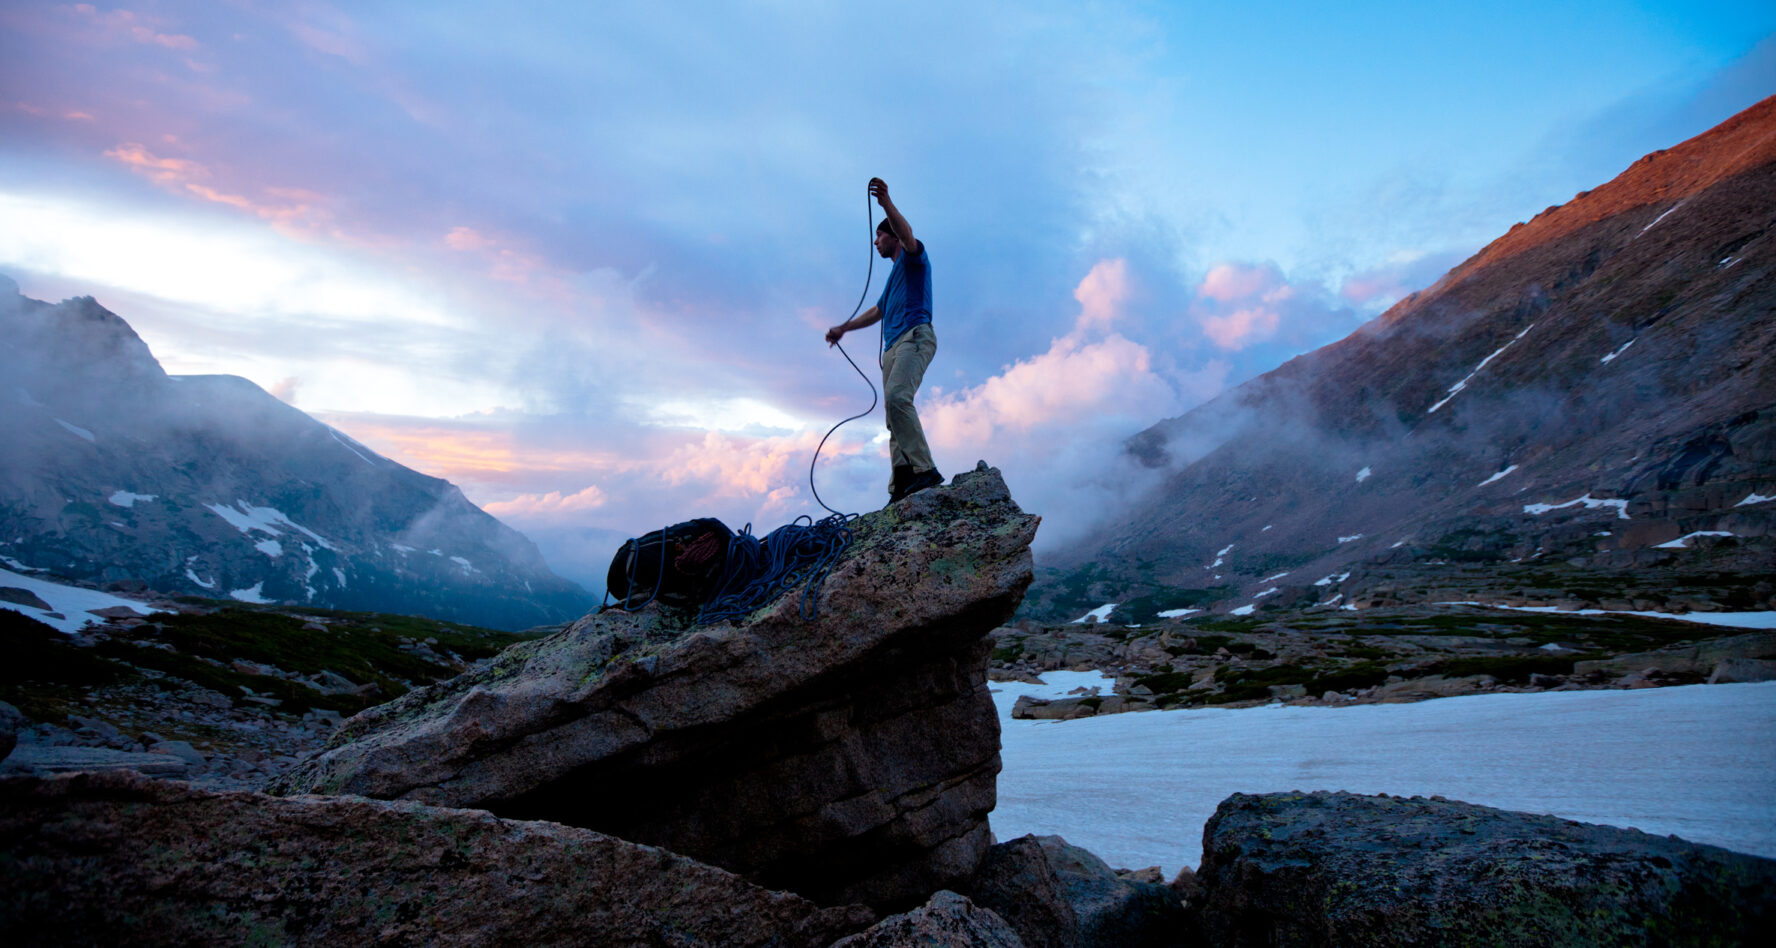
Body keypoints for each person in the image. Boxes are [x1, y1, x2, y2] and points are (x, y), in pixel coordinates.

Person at [826, 178, 942, 504]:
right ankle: (902, 481)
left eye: (879, 235)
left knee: (896, 397)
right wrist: (844, 328)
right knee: (893, 415)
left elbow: (908, 235)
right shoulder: (894, 277)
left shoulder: (912, 257)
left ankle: (925, 470)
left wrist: (887, 204)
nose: (875, 242)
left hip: (914, 336)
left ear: (890, 234)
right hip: (893, 348)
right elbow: (877, 310)